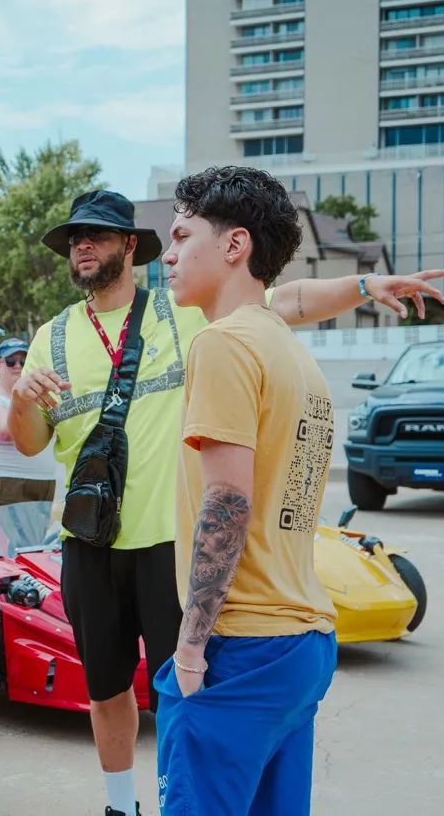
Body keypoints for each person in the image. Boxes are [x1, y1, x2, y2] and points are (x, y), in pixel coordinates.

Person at [8, 188, 444, 816]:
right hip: (91, 542)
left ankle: (177, 794)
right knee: (105, 688)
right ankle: (119, 806)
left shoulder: (185, 309)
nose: (82, 246)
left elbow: (285, 299)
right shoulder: (51, 337)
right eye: (74, 238)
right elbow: (29, 444)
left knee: (186, 695)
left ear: (130, 247)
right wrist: (21, 399)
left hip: (171, 544)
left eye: (98, 235)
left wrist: (364, 285)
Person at [155, 166, 340, 815]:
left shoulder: (223, 344)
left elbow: (227, 503)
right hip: (303, 639)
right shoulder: (292, 353)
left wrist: (190, 642)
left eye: (181, 235)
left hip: (241, 644)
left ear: (235, 245)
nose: (168, 253)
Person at [0, 338, 57, 508]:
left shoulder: (40, 399)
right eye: (11, 361)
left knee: (37, 535)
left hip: (43, 481)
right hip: (7, 480)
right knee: (3, 535)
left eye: (23, 360)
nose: (18, 366)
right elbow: (6, 432)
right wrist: (20, 400)